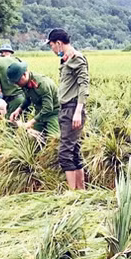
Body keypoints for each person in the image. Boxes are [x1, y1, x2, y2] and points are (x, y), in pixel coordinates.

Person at [46, 28, 89, 190]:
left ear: (58, 43)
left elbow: (83, 85)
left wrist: (78, 110)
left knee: (65, 153)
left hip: (72, 109)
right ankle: (80, 191)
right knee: (74, 150)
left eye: (51, 45)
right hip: (65, 109)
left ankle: (72, 194)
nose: (52, 49)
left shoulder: (77, 58)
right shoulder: (65, 59)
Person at [6, 61, 60, 137]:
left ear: (24, 75)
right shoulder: (25, 84)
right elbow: (28, 99)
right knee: (36, 137)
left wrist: (30, 122)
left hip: (53, 113)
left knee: (54, 138)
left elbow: (48, 108)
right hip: (39, 113)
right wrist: (19, 110)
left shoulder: (41, 84)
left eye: (17, 82)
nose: (17, 85)